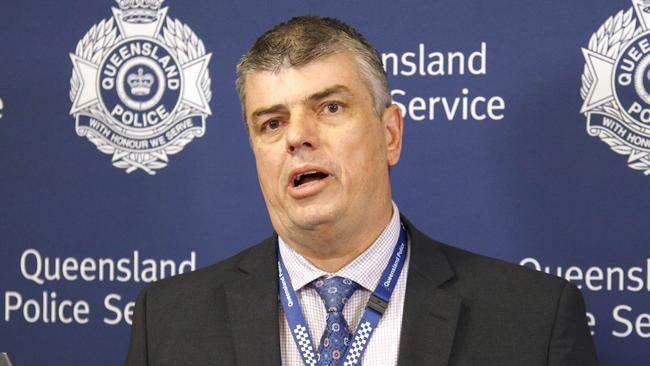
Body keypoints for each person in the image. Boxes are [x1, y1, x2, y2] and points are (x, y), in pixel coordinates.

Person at [125, 16, 598, 366]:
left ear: (390, 134)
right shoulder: (167, 321)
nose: (297, 137)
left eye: (330, 107)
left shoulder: (533, 320)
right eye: (272, 122)